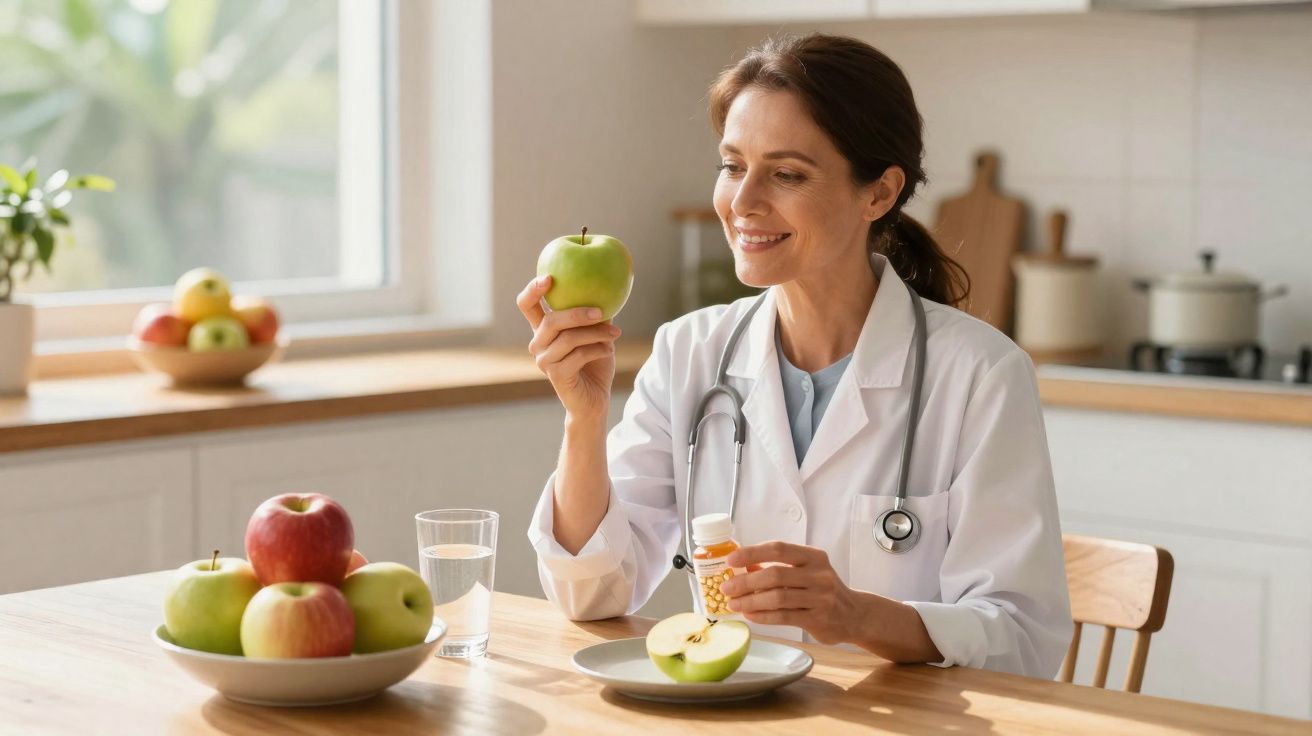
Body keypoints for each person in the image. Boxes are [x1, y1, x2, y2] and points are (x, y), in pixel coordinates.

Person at [517, 33, 1071, 678]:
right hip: (734, 715)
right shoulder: (688, 351)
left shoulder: (980, 374)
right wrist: (582, 416)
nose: (742, 202)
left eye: (786, 174)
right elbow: (593, 592)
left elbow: (1023, 637)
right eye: (732, 165)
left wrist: (858, 615)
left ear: (878, 193)